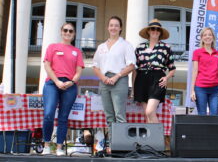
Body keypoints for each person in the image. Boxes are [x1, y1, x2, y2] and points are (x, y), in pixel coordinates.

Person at [92, 16, 135, 151]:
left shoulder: (125, 45)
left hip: (119, 80)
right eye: (111, 25)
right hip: (104, 81)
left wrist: (117, 76)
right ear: (107, 27)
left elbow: (132, 65)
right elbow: (95, 66)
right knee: (109, 115)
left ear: (120, 28)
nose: (113, 28)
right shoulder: (101, 47)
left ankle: (122, 146)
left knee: (119, 114)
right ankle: (112, 144)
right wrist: (103, 78)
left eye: (116, 25)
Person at [42, 23, 84, 156]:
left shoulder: (77, 51)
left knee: (63, 117)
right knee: (49, 113)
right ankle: (47, 145)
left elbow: (78, 72)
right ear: (61, 32)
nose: (68, 32)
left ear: (74, 34)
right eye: (65, 30)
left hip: (69, 86)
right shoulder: (52, 47)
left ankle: (59, 147)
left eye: (71, 31)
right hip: (52, 83)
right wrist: (57, 81)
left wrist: (71, 82)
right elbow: (47, 66)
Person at [133, 19, 176, 123]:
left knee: (150, 111)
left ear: (160, 32)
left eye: (158, 29)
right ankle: (151, 139)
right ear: (148, 31)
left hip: (158, 79)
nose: (155, 31)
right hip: (141, 79)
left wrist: (166, 78)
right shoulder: (140, 47)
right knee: (147, 116)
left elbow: (172, 69)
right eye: (152, 29)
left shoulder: (166, 47)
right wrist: (133, 88)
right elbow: (135, 69)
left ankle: (159, 138)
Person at [190, 27, 218, 115]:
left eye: (210, 34)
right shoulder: (197, 52)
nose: (207, 37)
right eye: (205, 35)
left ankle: (213, 129)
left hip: (215, 89)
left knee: (214, 114)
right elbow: (195, 71)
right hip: (200, 88)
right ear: (201, 38)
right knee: (202, 114)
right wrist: (192, 90)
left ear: (213, 37)